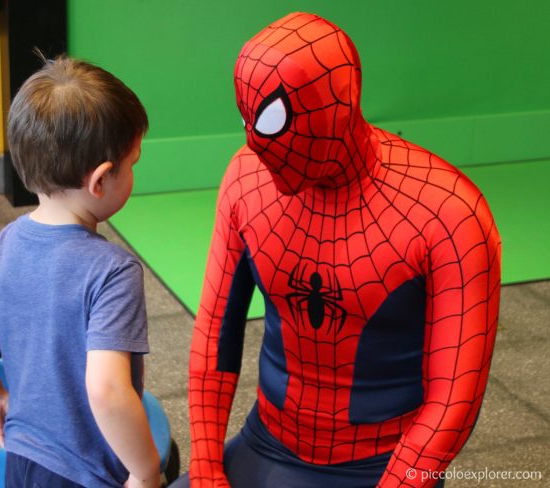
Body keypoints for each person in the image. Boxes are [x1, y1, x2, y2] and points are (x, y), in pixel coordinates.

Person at [180, 12, 501, 488]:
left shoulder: (448, 214)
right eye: (249, 117)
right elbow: (213, 338)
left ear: (342, 101)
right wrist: (207, 473)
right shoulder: (246, 181)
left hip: (385, 464)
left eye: (272, 119)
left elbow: (455, 400)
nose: (258, 142)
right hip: (266, 440)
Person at [0, 55, 160, 488]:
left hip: (22, 463)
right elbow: (107, 391)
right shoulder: (113, 273)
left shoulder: (5, 244)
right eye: (133, 163)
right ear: (100, 181)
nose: (134, 172)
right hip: (86, 475)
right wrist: (144, 470)